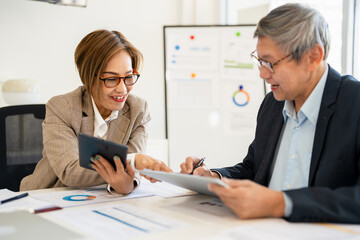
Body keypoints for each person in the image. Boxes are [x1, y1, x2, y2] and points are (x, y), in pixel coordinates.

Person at [180, 3, 360, 223]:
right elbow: (255, 168)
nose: (263, 74)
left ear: (313, 56)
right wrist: (214, 178)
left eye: (271, 63)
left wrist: (282, 203)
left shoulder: (354, 103)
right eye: (260, 61)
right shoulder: (272, 104)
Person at [20, 29, 171, 193]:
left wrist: (128, 184)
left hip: (101, 201)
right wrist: (133, 162)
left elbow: (130, 176)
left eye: (128, 76)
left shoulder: (138, 110)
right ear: (89, 78)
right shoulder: (62, 107)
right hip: (48, 196)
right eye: (112, 79)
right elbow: (70, 172)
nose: (122, 89)